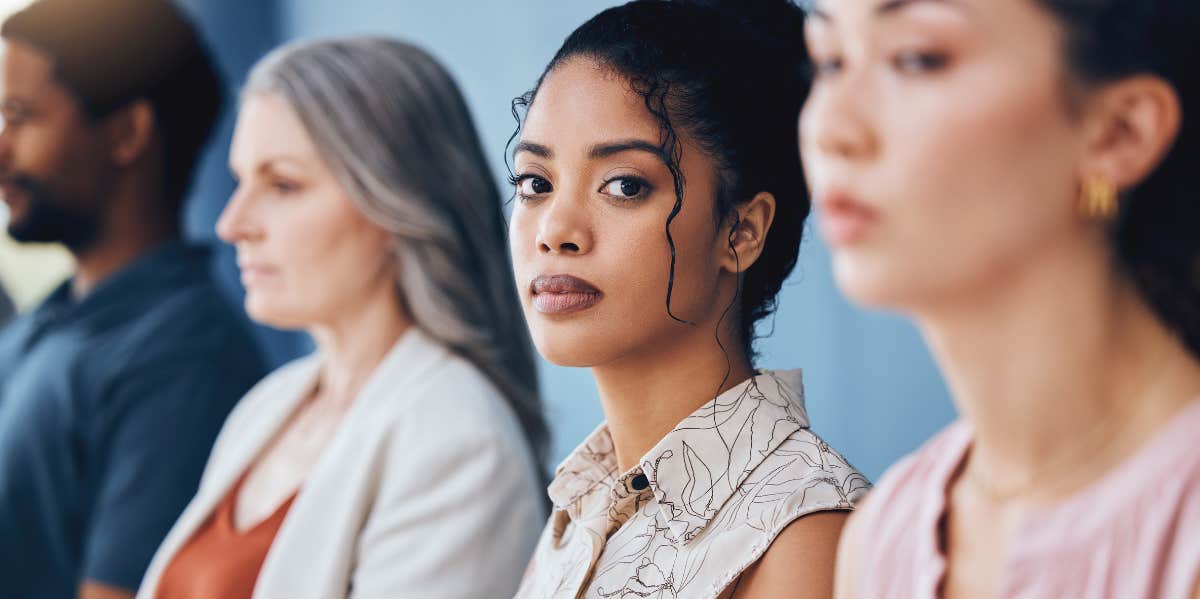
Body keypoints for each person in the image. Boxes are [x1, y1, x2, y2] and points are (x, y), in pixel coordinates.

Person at [798, 0, 1200, 597]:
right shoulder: (884, 538)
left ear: (1120, 132)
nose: (831, 127)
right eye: (829, 62)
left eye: (917, 59)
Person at [136, 37, 548, 599]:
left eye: (282, 184)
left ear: (394, 204)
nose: (233, 224)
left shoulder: (458, 441)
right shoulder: (266, 409)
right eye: (239, 182)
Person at [508, 2, 869, 598]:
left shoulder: (806, 535)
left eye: (625, 185)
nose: (555, 229)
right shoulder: (579, 511)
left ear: (742, 230)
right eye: (535, 184)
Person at [0, 0, 266, 597]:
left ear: (127, 134)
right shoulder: (50, 318)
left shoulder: (185, 356)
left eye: (21, 118)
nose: (0, 150)